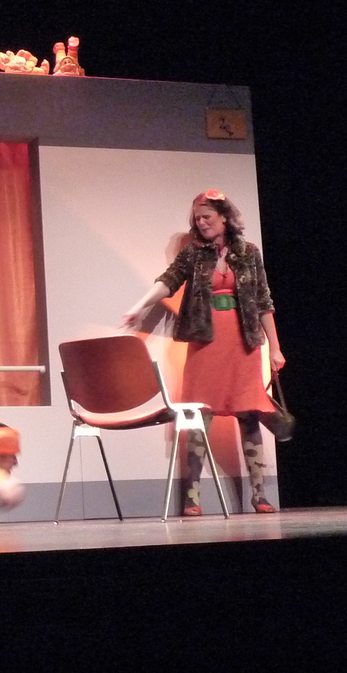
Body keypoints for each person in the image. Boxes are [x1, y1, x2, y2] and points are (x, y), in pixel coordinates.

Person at [121, 189, 285, 515]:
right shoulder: (194, 253)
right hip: (205, 342)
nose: (201, 222)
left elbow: (263, 301)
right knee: (198, 415)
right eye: (197, 218)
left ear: (224, 217)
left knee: (249, 413)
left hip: (243, 343)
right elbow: (168, 281)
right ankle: (192, 498)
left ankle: (259, 494)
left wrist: (275, 349)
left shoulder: (249, 253)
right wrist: (139, 306)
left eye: (207, 216)